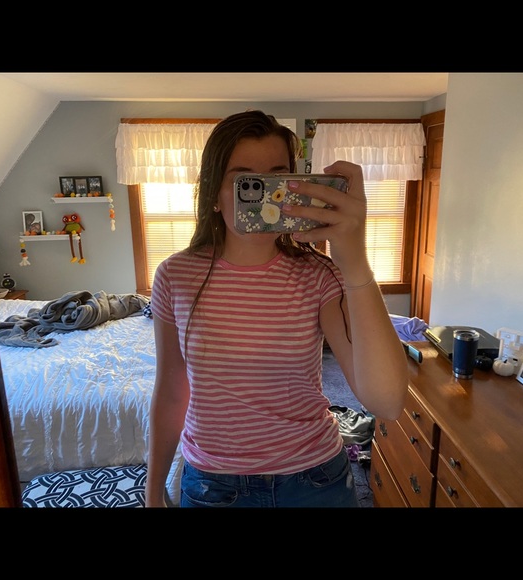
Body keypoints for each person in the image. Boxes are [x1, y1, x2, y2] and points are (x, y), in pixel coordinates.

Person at [145, 110, 408, 508]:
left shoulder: (319, 274)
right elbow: (170, 390)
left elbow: (386, 401)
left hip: (314, 479)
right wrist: (153, 491)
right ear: (214, 193)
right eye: (246, 181)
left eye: (276, 179)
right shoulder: (174, 276)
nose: (264, 196)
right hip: (213, 485)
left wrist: (354, 259)